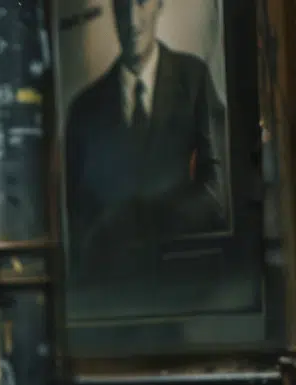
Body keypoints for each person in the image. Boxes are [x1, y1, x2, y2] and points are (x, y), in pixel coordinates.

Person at [64, 0, 226, 287]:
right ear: (112, 10)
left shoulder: (193, 80)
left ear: (158, 5)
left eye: (141, 2)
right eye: (122, 6)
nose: (132, 19)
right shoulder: (84, 110)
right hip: (112, 292)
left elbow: (218, 189)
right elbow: (76, 221)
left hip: (187, 282)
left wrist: (159, 221)